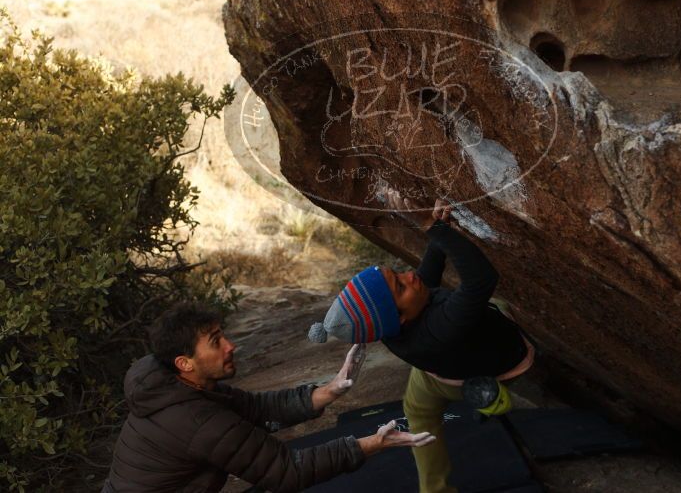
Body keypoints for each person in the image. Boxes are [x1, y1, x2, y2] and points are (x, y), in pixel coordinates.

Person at [308, 191, 535, 493]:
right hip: (499, 361)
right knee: (492, 307)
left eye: (397, 274)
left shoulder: (390, 328)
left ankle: (433, 489)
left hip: (438, 370)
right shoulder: (437, 329)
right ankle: (488, 398)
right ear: (399, 318)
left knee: (417, 411)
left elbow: (426, 276)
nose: (409, 276)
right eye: (400, 286)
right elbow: (481, 279)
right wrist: (435, 229)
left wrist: (437, 225)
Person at [102, 301, 435, 493]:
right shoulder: (195, 421)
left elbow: (254, 409)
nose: (230, 345)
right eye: (215, 341)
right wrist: (374, 443)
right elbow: (286, 470)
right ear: (184, 363)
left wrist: (329, 390)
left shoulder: (169, 382)